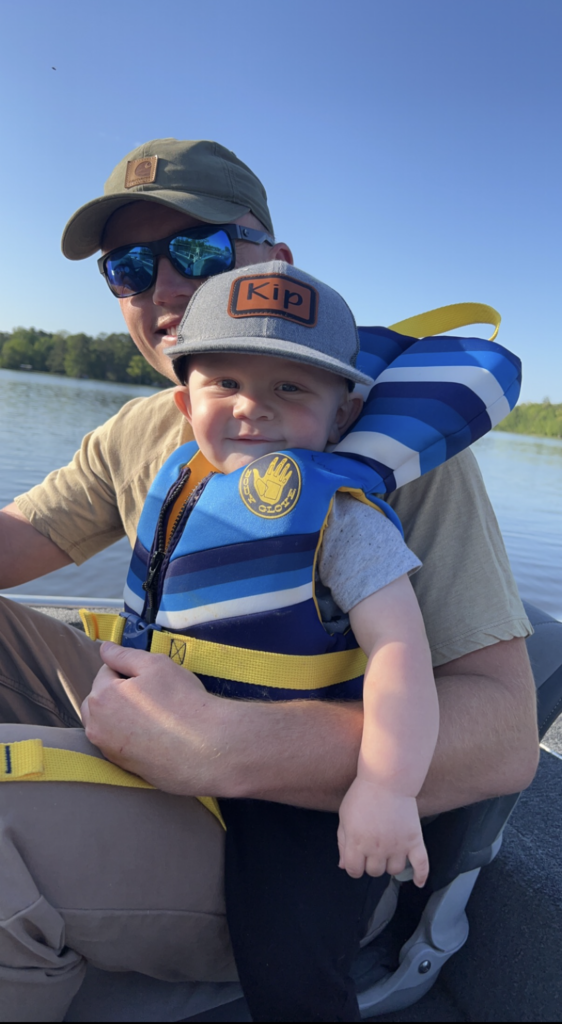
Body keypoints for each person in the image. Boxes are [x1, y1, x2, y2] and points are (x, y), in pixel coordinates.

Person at [0, 139, 539, 1022]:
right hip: (144, 719)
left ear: (272, 262)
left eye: (201, 249)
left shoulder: (377, 464)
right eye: (129, 267)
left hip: (306, 843)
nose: (166, 286)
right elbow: (16, 539)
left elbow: (504, 736)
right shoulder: (142, 431)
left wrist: (226, 743)